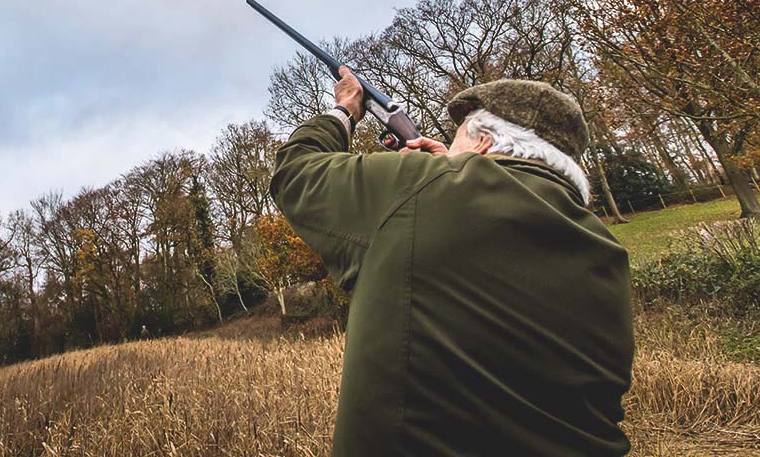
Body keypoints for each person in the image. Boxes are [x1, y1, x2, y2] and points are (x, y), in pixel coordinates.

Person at [270, 67, 634, 456]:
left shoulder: (422, 187)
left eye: (457, 137)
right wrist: (443, 172)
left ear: (483, 142)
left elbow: (296, 171)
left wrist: (345, 109)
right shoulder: (605, 249)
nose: (448, 146)